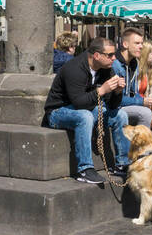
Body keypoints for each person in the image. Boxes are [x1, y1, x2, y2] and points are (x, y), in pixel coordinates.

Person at [43, 36, 125, 184]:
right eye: (110, 55)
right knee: (85, 116)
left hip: (85, 108)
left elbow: (112, 106)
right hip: (57, 112)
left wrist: (117, 92)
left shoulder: (106, 69)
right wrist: (102, 90)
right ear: (97, 55)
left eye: (115, 54)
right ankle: (85, 169)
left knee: (120, 115)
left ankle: (122, 163)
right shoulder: (74, 68)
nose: (114, 58)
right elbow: (79, 102)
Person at [109, 27, 152, 175]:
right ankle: (140, 155)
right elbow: (115, 99)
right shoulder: (116, 65)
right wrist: (142, 101)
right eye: (137, 43)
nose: (141, 46)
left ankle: (150, 150)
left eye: (141, 43)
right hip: (115, 106)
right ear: (125, 44)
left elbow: (134, 93)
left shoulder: (134, 63)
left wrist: (145, 100)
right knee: (144, 112)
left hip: (128, 103)